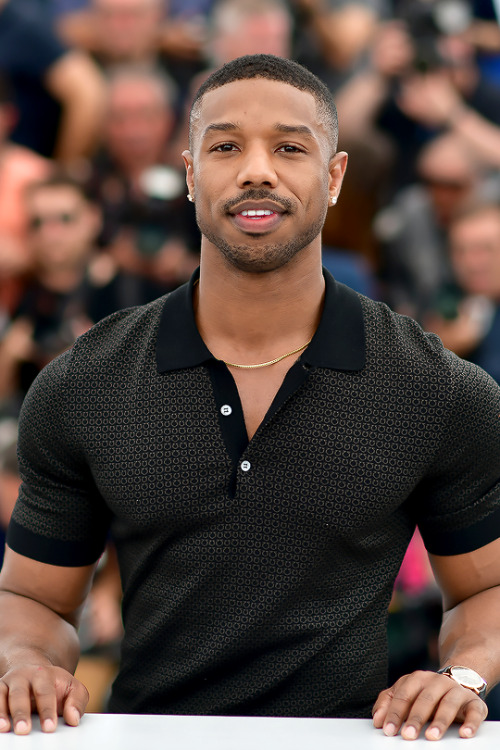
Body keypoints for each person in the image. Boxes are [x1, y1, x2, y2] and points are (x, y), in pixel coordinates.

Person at [0, 54, 499, 741]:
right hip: (150, 737)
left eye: (290, 148)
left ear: (334, 177)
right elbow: (33, 596)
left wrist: (460, 676)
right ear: (189, 174)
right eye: (226, 146)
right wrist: (26, 661)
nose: (256, 169)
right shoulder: (86, 382)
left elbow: (487, 588)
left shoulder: (433, 387)